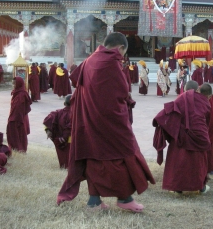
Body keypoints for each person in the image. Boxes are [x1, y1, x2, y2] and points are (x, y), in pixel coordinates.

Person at [57, 32, 155, 212]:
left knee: (94, 156)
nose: (122, 58)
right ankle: (125, 199)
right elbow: (120, 93)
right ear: (120, 48)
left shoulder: (90, 60)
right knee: (122, 154)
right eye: (123, 53)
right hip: (109, 120)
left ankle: (94, 202)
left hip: (89, 118)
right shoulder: (111, 62)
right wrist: (128, 100)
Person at [152, 80, 211, 193]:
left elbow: (169, 114)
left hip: (181, 136)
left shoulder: (180, 99)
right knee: (197, 162)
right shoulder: (203, 100)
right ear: (197, 90)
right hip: (199, 136)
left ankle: (177, 187)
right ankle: (200, 186)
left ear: (184, 90)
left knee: (179, 159)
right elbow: (207, 119)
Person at [43, 95, 72, 169]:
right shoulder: (78, 115)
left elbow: (47, 120)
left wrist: (48, 130)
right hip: (72, 140)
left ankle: (64, 166)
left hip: (59, 140)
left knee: (64, 159)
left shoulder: (57, 113)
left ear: (64, 103)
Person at [6, 77, 32, 152]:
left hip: (18, 117)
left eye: (14, 84)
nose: (13, 85)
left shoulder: (21, 95)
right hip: (19, 116)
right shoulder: (17, 92)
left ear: (19, 84)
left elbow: (18, 108)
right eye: (12, 83)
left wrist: (13, 119)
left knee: (17, 133)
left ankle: (19, 149)